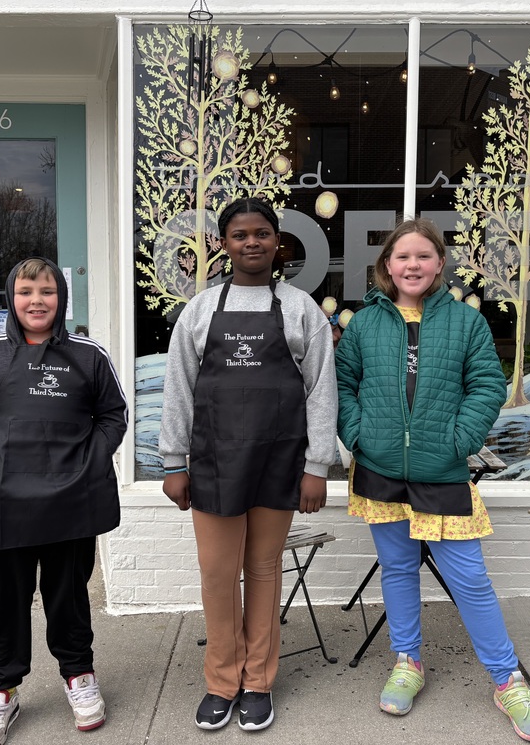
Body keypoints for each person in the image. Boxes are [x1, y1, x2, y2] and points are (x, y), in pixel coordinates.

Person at [336, 218, 530, 742]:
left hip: (443, 469)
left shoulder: (465, 322)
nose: (412, 265)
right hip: (380, 468)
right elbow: (342, 383)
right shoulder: (365, 323)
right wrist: (358, 434)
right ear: (387, 265)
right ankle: (408, 661)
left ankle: (507, 680)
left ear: (439, 264)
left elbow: (485, 386)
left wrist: (460, 440)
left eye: (424, 256)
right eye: (402, 256)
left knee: (470, 580)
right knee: (398, 569)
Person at [158, 196, 337, 732]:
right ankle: (221, 681)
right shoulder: (200, 310)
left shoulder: (302, 309)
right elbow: (178, 390)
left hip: (278, 461)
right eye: (240, 235)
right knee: (217, 575)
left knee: (262, 571)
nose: (252, 242)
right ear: (224, 243)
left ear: (277, 241)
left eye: (262, 233)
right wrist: (172, 462)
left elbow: (321, 391)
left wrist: (317, 466)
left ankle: (257, 682)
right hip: (212, 462)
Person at [0, 257, 128, 745]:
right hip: (3, 504)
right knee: (7, 600)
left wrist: (90, 464)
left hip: (72, 503)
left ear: (61, 298)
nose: (36, 301)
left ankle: (78, 675)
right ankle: (1, 688)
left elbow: (114, 414)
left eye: (47, 291)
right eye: (26, 291)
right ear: (11, 297)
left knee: (68, 596)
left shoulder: (89, 356)